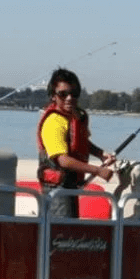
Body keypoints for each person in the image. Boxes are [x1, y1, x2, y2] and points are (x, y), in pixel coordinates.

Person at [37, 68, 115, 217]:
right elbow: (62, 160)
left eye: (74, 93)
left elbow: (81, 142)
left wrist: (101, 154)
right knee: (62, 230)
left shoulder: (73, 118)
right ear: (53, 96)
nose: (69, 98)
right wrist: (97, 171)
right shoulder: (54, 122)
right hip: (56, 191)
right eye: (63, 94)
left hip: (70, 186)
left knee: (71, 226)